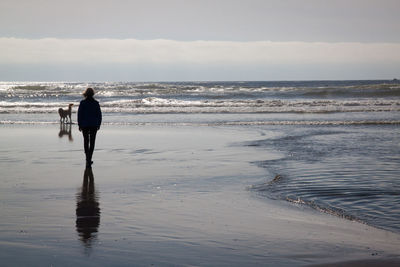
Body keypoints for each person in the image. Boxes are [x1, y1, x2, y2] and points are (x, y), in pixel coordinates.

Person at [78, 88, 102, 168]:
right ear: (92, 94)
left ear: (85, 94)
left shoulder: (82, 103)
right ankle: (89, 158)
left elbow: (79, 115)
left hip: (84, 124)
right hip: (93, 124)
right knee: (92, 142)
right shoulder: (96, 103)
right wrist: (99, 124)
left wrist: (79, 124)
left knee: (86, 141)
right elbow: (99, 115)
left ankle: (87, 159)